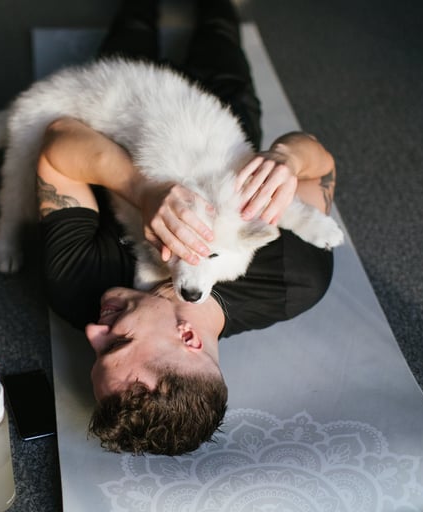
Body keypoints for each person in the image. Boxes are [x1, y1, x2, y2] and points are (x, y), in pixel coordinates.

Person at [37, 0, 336, 455]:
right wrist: (287, 159)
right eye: (115, 344)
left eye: (95, 352)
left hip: (125, 102)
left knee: (133, 23)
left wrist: (141, 188)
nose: (92, 332)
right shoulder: (295, 277)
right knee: (219, 29)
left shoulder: (76, 285)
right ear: (188, 338)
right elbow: (322, 168)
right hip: (222, 110)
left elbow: (59, 138)